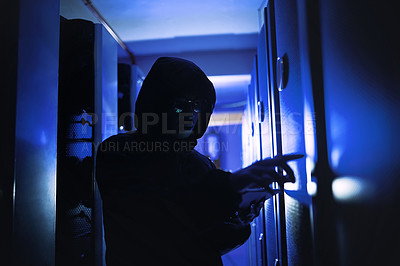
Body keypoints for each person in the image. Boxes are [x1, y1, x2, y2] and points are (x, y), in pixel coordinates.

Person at [95, 57, 302, 266]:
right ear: (156, 105)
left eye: (196, 106)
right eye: (179, 105)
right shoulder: (119, 151)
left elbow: (207, 240)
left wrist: (239, 219)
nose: (189, 113)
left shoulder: (201, 164)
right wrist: (230, 187)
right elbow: (164, 204)